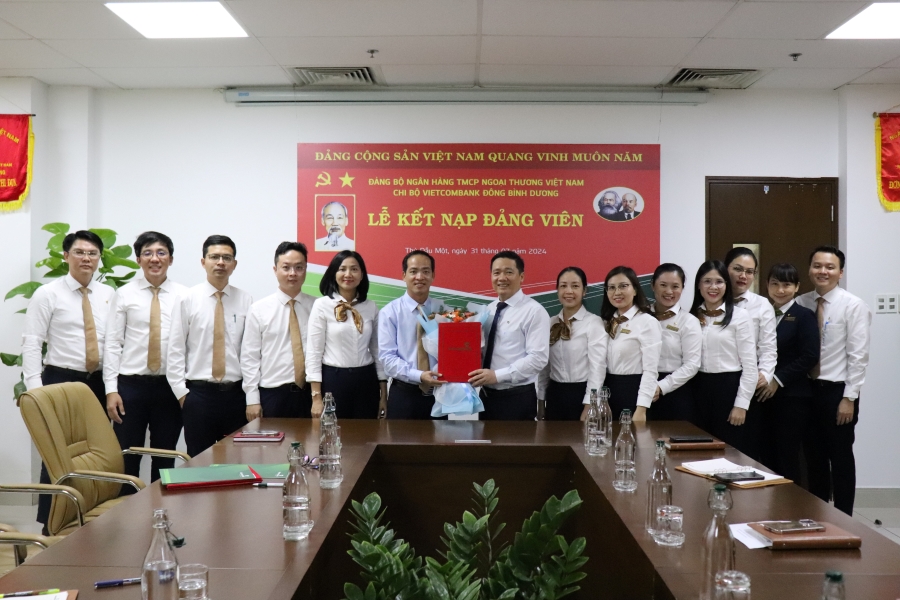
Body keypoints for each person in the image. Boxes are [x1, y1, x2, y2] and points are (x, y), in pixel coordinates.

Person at [22, 229, 114, 533]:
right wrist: (36, 393)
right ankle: (50, 526)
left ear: (99, 258)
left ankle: (85, 518)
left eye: (92, 253)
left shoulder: (108, 294)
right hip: (60, 380)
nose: (86, 258)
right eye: (79, 252)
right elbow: (32, 342)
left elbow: (113, 343)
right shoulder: (48, 294)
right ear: (66, 256)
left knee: (95, 452)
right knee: (56, 454)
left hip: (97, 382)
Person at [104, 231, 187, 488]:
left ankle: (159, 508)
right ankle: (124, 509)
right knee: (127, 454)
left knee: (165, 456)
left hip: (169, 387)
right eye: (147, 253)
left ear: (171, 259)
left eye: (161, 253)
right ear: (139, 259)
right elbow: (113, 343)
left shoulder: (184, 295)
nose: (155, 258)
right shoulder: (124, 294)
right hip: (131, 387)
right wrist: (111, 390)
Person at [796, 246, 871, 515]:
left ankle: (844, 517)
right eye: (817, 266)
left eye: (830, 267)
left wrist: (849, 397)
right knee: (813, 458)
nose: (823, 271)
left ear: (840, 272)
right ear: (809, 269)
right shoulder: (801, 303)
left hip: (837, 393)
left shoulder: (853, 305)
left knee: (840, 458)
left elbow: (859, 356)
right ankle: (818, 516)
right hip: (807, 392)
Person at [167, 235, 252, 457]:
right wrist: (182, 394)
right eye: (214, 257)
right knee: (199, 461)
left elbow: (250, 353)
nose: (220, 262)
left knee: (236, 460)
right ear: (203, 262)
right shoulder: (187, 299)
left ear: (234, 264)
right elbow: (175, 349)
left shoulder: (246, 300)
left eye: (227, 258)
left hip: (235, 396)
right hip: (198, 396)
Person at [755, 263, 819, 483]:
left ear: (797, 287)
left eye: (787, 285)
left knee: (788, 456)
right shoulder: (762, 313)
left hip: (792, 397)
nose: (780, 290)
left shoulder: (803, 315)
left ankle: (792, 501)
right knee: (766, 455)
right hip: (763, 397)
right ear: (767, 285)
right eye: (775, 284)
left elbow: (810, 356)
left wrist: (777, 380)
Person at [469, 251, 550, 420]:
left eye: (508, 272)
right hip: (486, 396)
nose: (502, 278)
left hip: (516, 398)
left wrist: (497, 376)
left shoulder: (534, 311)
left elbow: (538, 359)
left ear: (521, 276)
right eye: (496, 272)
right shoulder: (488, 310)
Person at [306, 250, 386, 418]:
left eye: (354, 269)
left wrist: (384, 394)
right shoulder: (322, 305)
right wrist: (316, 397)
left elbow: (377, 351)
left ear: (362, 275)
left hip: (366, 380)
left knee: (367, 432)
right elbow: (314, 352)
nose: (348, 274)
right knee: (334, 431)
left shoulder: (370, 306)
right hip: (333, 380)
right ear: (334, 273)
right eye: (342, 269)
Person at [241, 242, 316, 420]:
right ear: (275, 270)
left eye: (299, 267)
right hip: (273, 395)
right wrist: (252, 399)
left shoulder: (317, 307)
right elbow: (250, 357)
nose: (292, 273)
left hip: (311, 395)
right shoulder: (259, 309)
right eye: (286, 267)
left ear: (306, 270)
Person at [690, 260, 758, 455]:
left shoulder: (740, 316)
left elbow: (750, 366)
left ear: (727, 285)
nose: (713, 287)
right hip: (697, 389)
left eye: (719, 282)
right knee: (699, 453)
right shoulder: (691, 316)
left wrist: (741, 405)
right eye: (707, 281)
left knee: (728, 454)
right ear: (699, 285)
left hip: (728, 390)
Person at [378, 250, 447, 419]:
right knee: (400, 438)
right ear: (404, 276)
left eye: (425, 271)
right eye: (413, 271)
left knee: (441, 437)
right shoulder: (390, 312)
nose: (420, 277)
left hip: (440, 394)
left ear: (433, 275)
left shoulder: (444, 311)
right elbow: (387, 359)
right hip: (404, 395)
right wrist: (419, 375)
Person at [724, 247, 777, 458]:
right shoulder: (712, 299)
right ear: (725, 268)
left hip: (749, 383)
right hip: (718, 382)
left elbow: (768, 347)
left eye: (749, 271)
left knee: (744, 450)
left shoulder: (762, 305)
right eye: (737, 269)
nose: (743, 276)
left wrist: (765, 374)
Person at [537, 267, 606, 421]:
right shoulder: (550, 323)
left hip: (582, 394)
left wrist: (590, 404)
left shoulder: (593, 323)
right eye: (563, 286)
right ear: (557, 290)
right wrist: (541, 400)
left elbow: (598, 368)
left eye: (575, 286)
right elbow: (544, 367)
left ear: (584, 291)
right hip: (554, 395)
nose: (569, 291)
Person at [599, 266, 661, 421]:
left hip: (634, 393)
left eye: (623, 286)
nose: (617, 292)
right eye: (611, 288)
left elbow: (650, 370)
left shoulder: (647, 322)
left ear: (635, 290)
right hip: (607, 394)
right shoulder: (606, 322)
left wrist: (642, 408)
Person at [648, 263, 701, 421]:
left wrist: (661, 386)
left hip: (675, 392)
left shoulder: (688, 321)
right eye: (663, 285)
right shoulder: (641, 316)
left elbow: (692, 364)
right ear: (652, 285)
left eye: (675, 286)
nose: (669, 291)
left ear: (682, 288)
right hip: (642, 388)